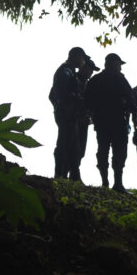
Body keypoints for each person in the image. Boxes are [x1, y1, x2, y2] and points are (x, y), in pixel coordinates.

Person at [84, 53, 136, 192]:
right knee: (119, 152)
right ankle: (117, 183)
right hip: (117, 121)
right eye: (119, 65)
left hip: (101, 121)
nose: (120, 68)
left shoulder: (95, 79)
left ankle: (105, 182)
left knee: (103, 150)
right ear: (114, 64)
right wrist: (134, 112)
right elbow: (131, 98)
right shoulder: (119, 78)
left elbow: (87, 101)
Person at [49, 46, 88, 179]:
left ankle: (70, 175)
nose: (83, 62)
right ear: (76, 56)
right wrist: (63, 107)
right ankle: (60, 173)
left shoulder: (70, 71)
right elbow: (57, 93)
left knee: (72, 144)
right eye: (82, 58)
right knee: (65, 143)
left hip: (70, 112)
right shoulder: (66, 71)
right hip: (66, 112)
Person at [69, 57, 99, 182]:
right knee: (72, 148)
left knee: (80, 150)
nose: (91, 73)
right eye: (90, 69)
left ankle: (73, 175)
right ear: (84, 68)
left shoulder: (88, 84)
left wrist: (91, 116)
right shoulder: (72, 79)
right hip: (72, 119)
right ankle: (73, 175)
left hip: (84, 120)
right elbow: (55, 96)